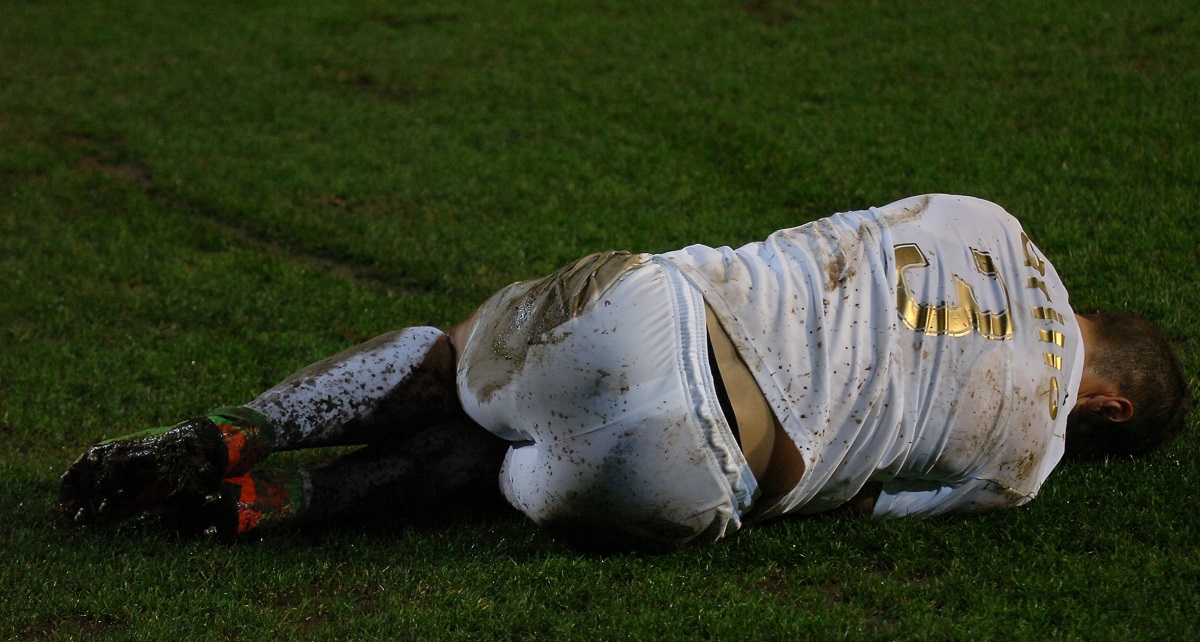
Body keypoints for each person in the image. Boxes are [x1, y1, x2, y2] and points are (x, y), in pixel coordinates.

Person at [59, 194, 1191, 551]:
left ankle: (230, 432)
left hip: (650, 313)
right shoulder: (1028, 464)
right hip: (689, 479)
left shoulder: (993, 220)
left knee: (460, 365)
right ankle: (278, 505)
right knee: (515, 457)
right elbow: (870, 505)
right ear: (1106, 406)